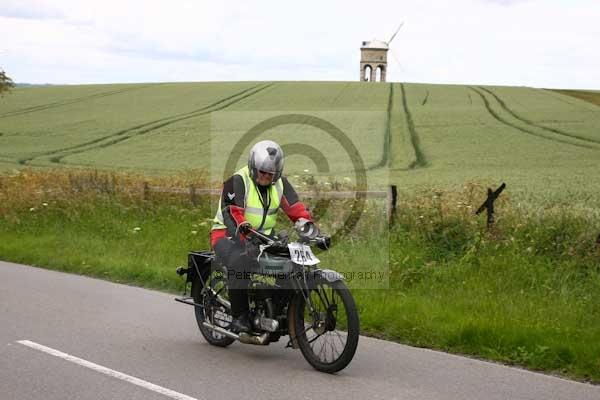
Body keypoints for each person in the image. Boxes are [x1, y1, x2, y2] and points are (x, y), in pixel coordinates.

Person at [211, 140, 313, 333]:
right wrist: (245, 236)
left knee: (291, 263)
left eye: (271, 174)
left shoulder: (280, 184)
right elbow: (233, 213)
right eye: (263, 172)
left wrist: (310, 228)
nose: (267, 177)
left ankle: (278, 310)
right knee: (240, 262)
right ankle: (239, 316)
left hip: (263, 238)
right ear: (252, 167)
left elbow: (295, 209)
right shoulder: (237, 181)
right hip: (227, 235)